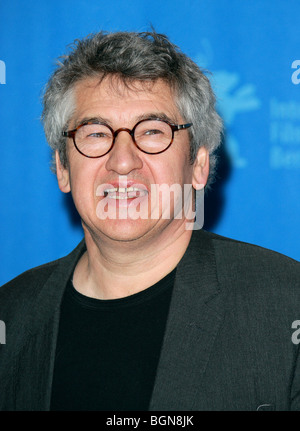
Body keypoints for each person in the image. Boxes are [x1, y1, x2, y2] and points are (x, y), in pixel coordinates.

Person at [0, 30, 299, 412]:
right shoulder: (10, 317)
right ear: (62, 168)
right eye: (95, 133)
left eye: (153, 132)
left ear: (199, 166)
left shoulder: (287, 306)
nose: (122, 161)